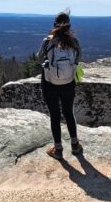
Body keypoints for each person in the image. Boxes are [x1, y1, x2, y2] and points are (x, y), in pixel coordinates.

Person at [36, 10, 83, 158]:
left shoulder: (47, 41)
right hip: (68, 83)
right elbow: (78, 60)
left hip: (50, 84)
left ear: (54, 25)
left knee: (55, 116)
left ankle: (58, 149)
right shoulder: (74, 42)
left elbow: (39, 57)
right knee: (69, 113)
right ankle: (75, 145)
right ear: (69, 26)